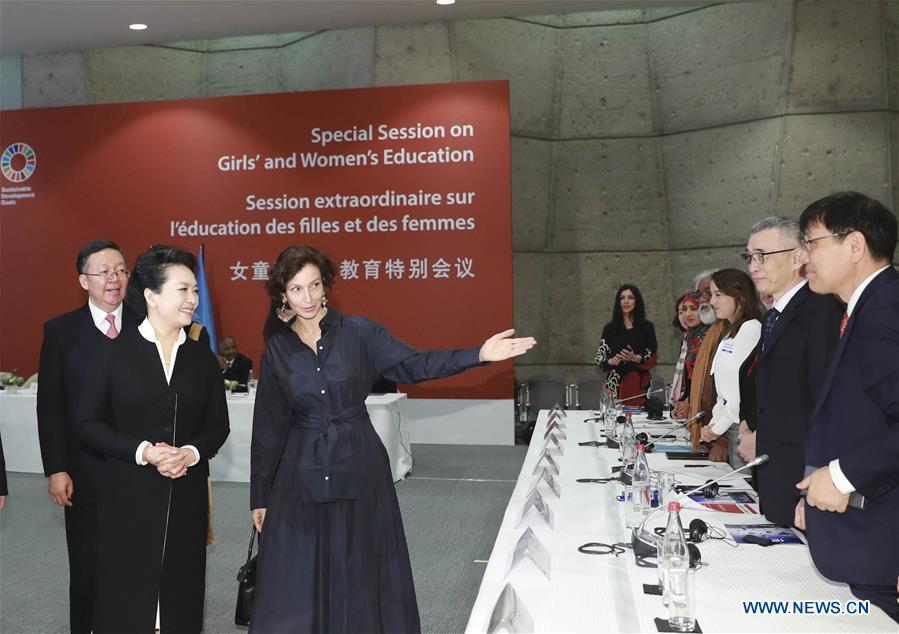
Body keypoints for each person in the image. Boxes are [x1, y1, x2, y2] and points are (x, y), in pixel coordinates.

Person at [249, 245, 535, 634]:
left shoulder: (360, 334)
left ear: (326, 286)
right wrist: (260, 496)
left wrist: (479, 354)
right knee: (299, 571)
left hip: (359, 463)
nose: (308, 297)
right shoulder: (278, 350)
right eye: (297, 289)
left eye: (314, 285)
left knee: (362, 565)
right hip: (300, 473)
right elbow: (268, 426)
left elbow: (415, 365)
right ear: (282, 294)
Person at [76, 245, 230, 633]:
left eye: (195, 290)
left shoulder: (200, 357)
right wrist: (144, 452)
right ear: (151, 295)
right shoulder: (112, 353)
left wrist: (191, 453)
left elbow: (218, 426)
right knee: (126, 598)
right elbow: (88, 423)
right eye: (183, 290)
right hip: (127, 497)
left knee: (182, 595)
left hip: (186, 498)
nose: (193, 300)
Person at [793, 192, 899, 622]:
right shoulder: (867, 308)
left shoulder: (886, 310)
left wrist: (840, 477)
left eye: (811, 242)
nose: (803, 257)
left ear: (854, 245)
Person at [36, 239, 137, 634]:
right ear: (83, 280)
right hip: (84, 470)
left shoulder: (148, 324)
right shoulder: (61, 331)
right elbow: (51, 405)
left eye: (121, 270)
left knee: (137, 565)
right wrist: (57, 467)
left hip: (139, 467)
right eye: (103, 271)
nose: (114, 279)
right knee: (88, 566)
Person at [738, 217, 842, 527]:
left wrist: (812, 484)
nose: (754, 265)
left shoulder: (820, 311)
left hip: (804, 484)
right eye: (749, 257)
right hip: (776, 478)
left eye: (762, 255)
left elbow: (826, 409)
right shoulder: (778, 315)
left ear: (798, 256)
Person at [699, 269, 762, 468]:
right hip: (730, 424)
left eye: (718, 294)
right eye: (711, 294)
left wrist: (718, 427)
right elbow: (724, 391)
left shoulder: (751, 329)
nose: (712, 301)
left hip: (742, 427)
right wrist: (714, 424)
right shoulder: (730, 331)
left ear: (739, 296)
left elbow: (740, 391)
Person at [594, 284, 658, 406]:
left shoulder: (647, 327)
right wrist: (611, 361)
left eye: (630, 297)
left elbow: (652, 355)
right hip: (616, 383)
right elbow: (599, 358)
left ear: (637, 301)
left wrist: (635, 358)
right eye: (622, 298)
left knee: (641, 420)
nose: (626, 301)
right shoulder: (610, 328)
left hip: (640, 383)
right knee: (616, 420)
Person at [669, 292, 711, 420]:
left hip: (707, 407)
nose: (687, 314)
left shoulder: (709, 337)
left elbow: (707, 378)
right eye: (683, 310)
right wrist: (682, 403)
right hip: (692, 404)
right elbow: (688, 380)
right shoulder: (689, 338)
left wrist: (688, 402)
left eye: (693, 309)